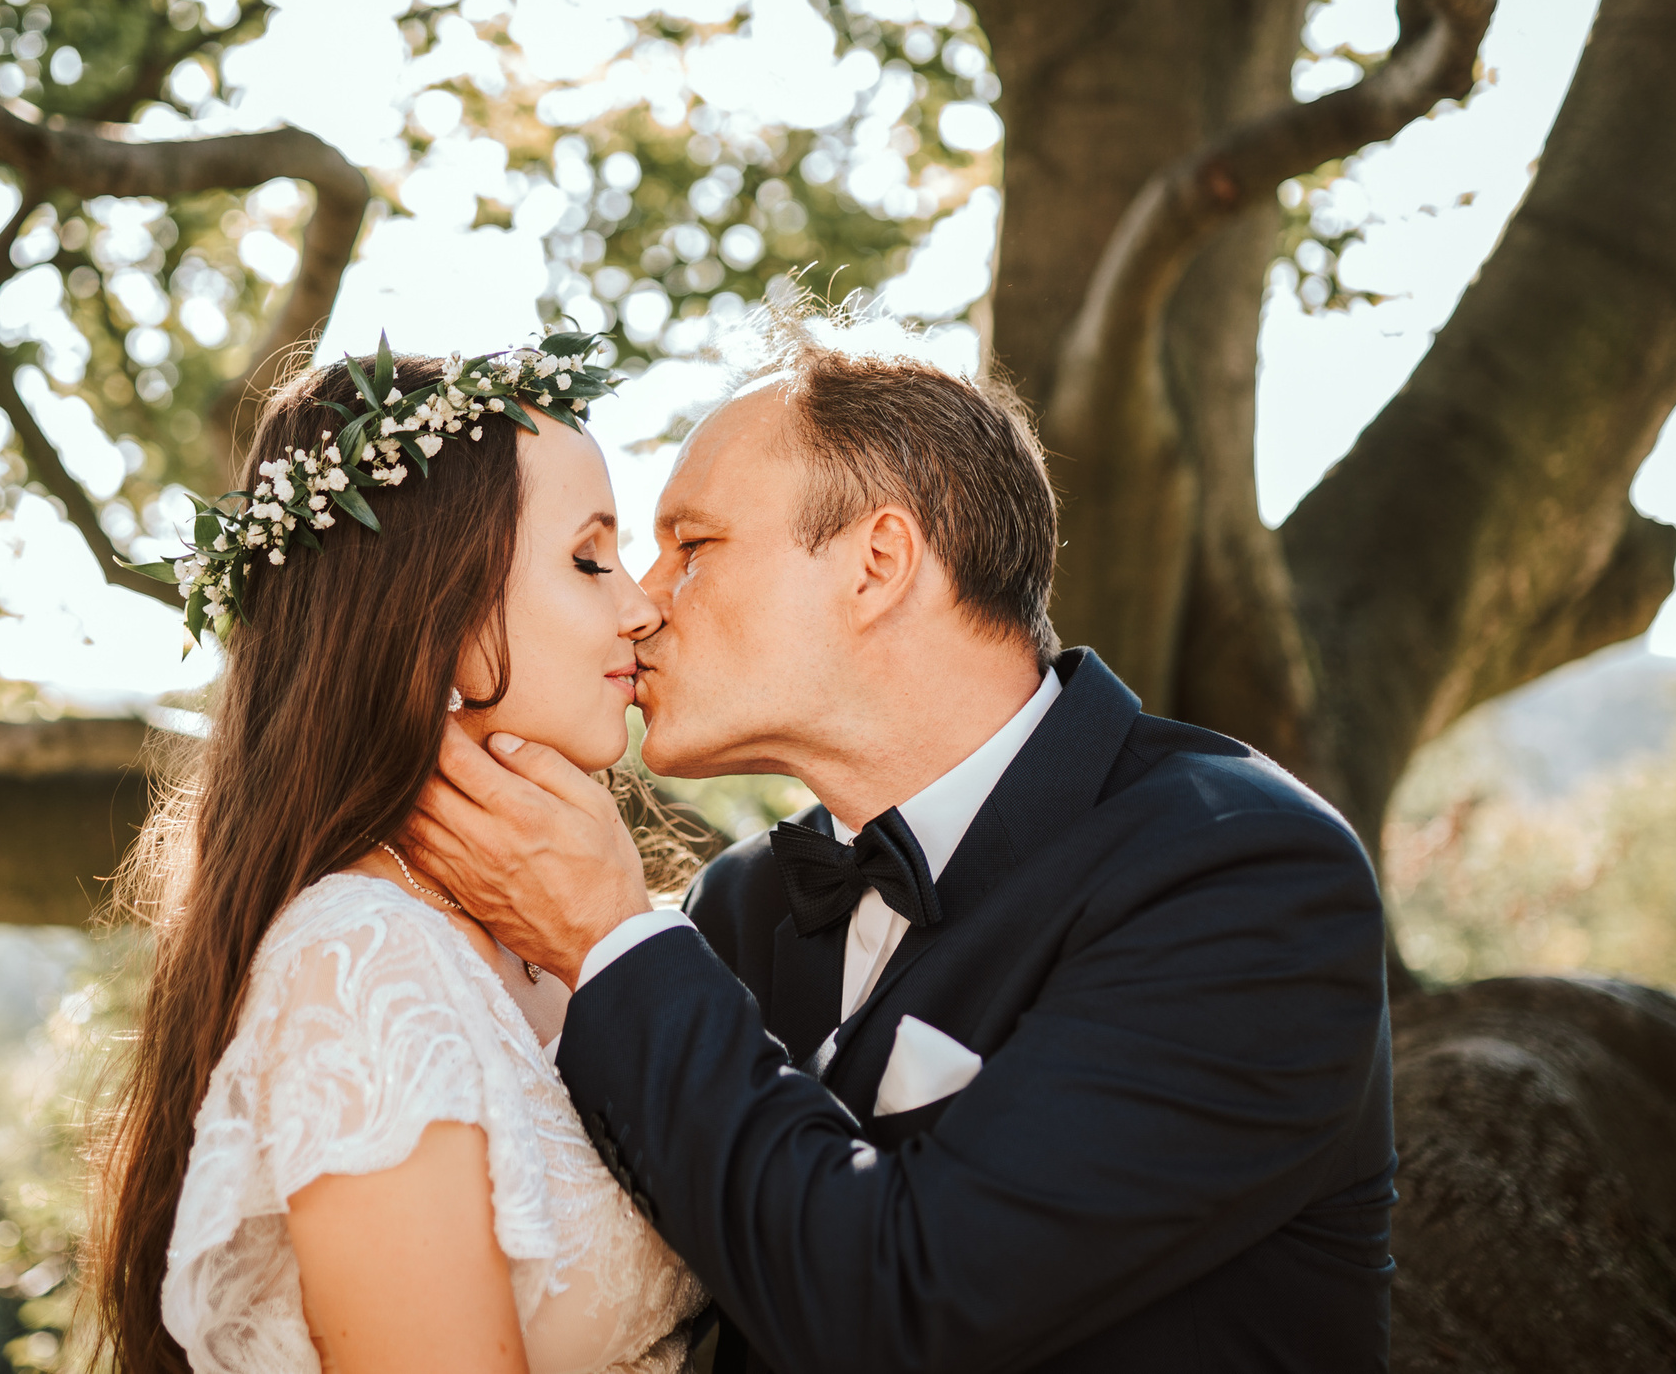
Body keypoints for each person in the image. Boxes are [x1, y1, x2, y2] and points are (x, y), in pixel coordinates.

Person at [411, 325, 1397, 1373]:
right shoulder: (737, 910)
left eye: (692, 545)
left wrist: (609, 941)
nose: (645, 602)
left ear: (877, 564)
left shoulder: (1239, 874)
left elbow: (906, 1310)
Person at [90, 338, 706, 1374]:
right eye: (589, 558)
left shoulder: (538, 932)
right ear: (443, 614)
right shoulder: (362, 962)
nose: (640, 604)